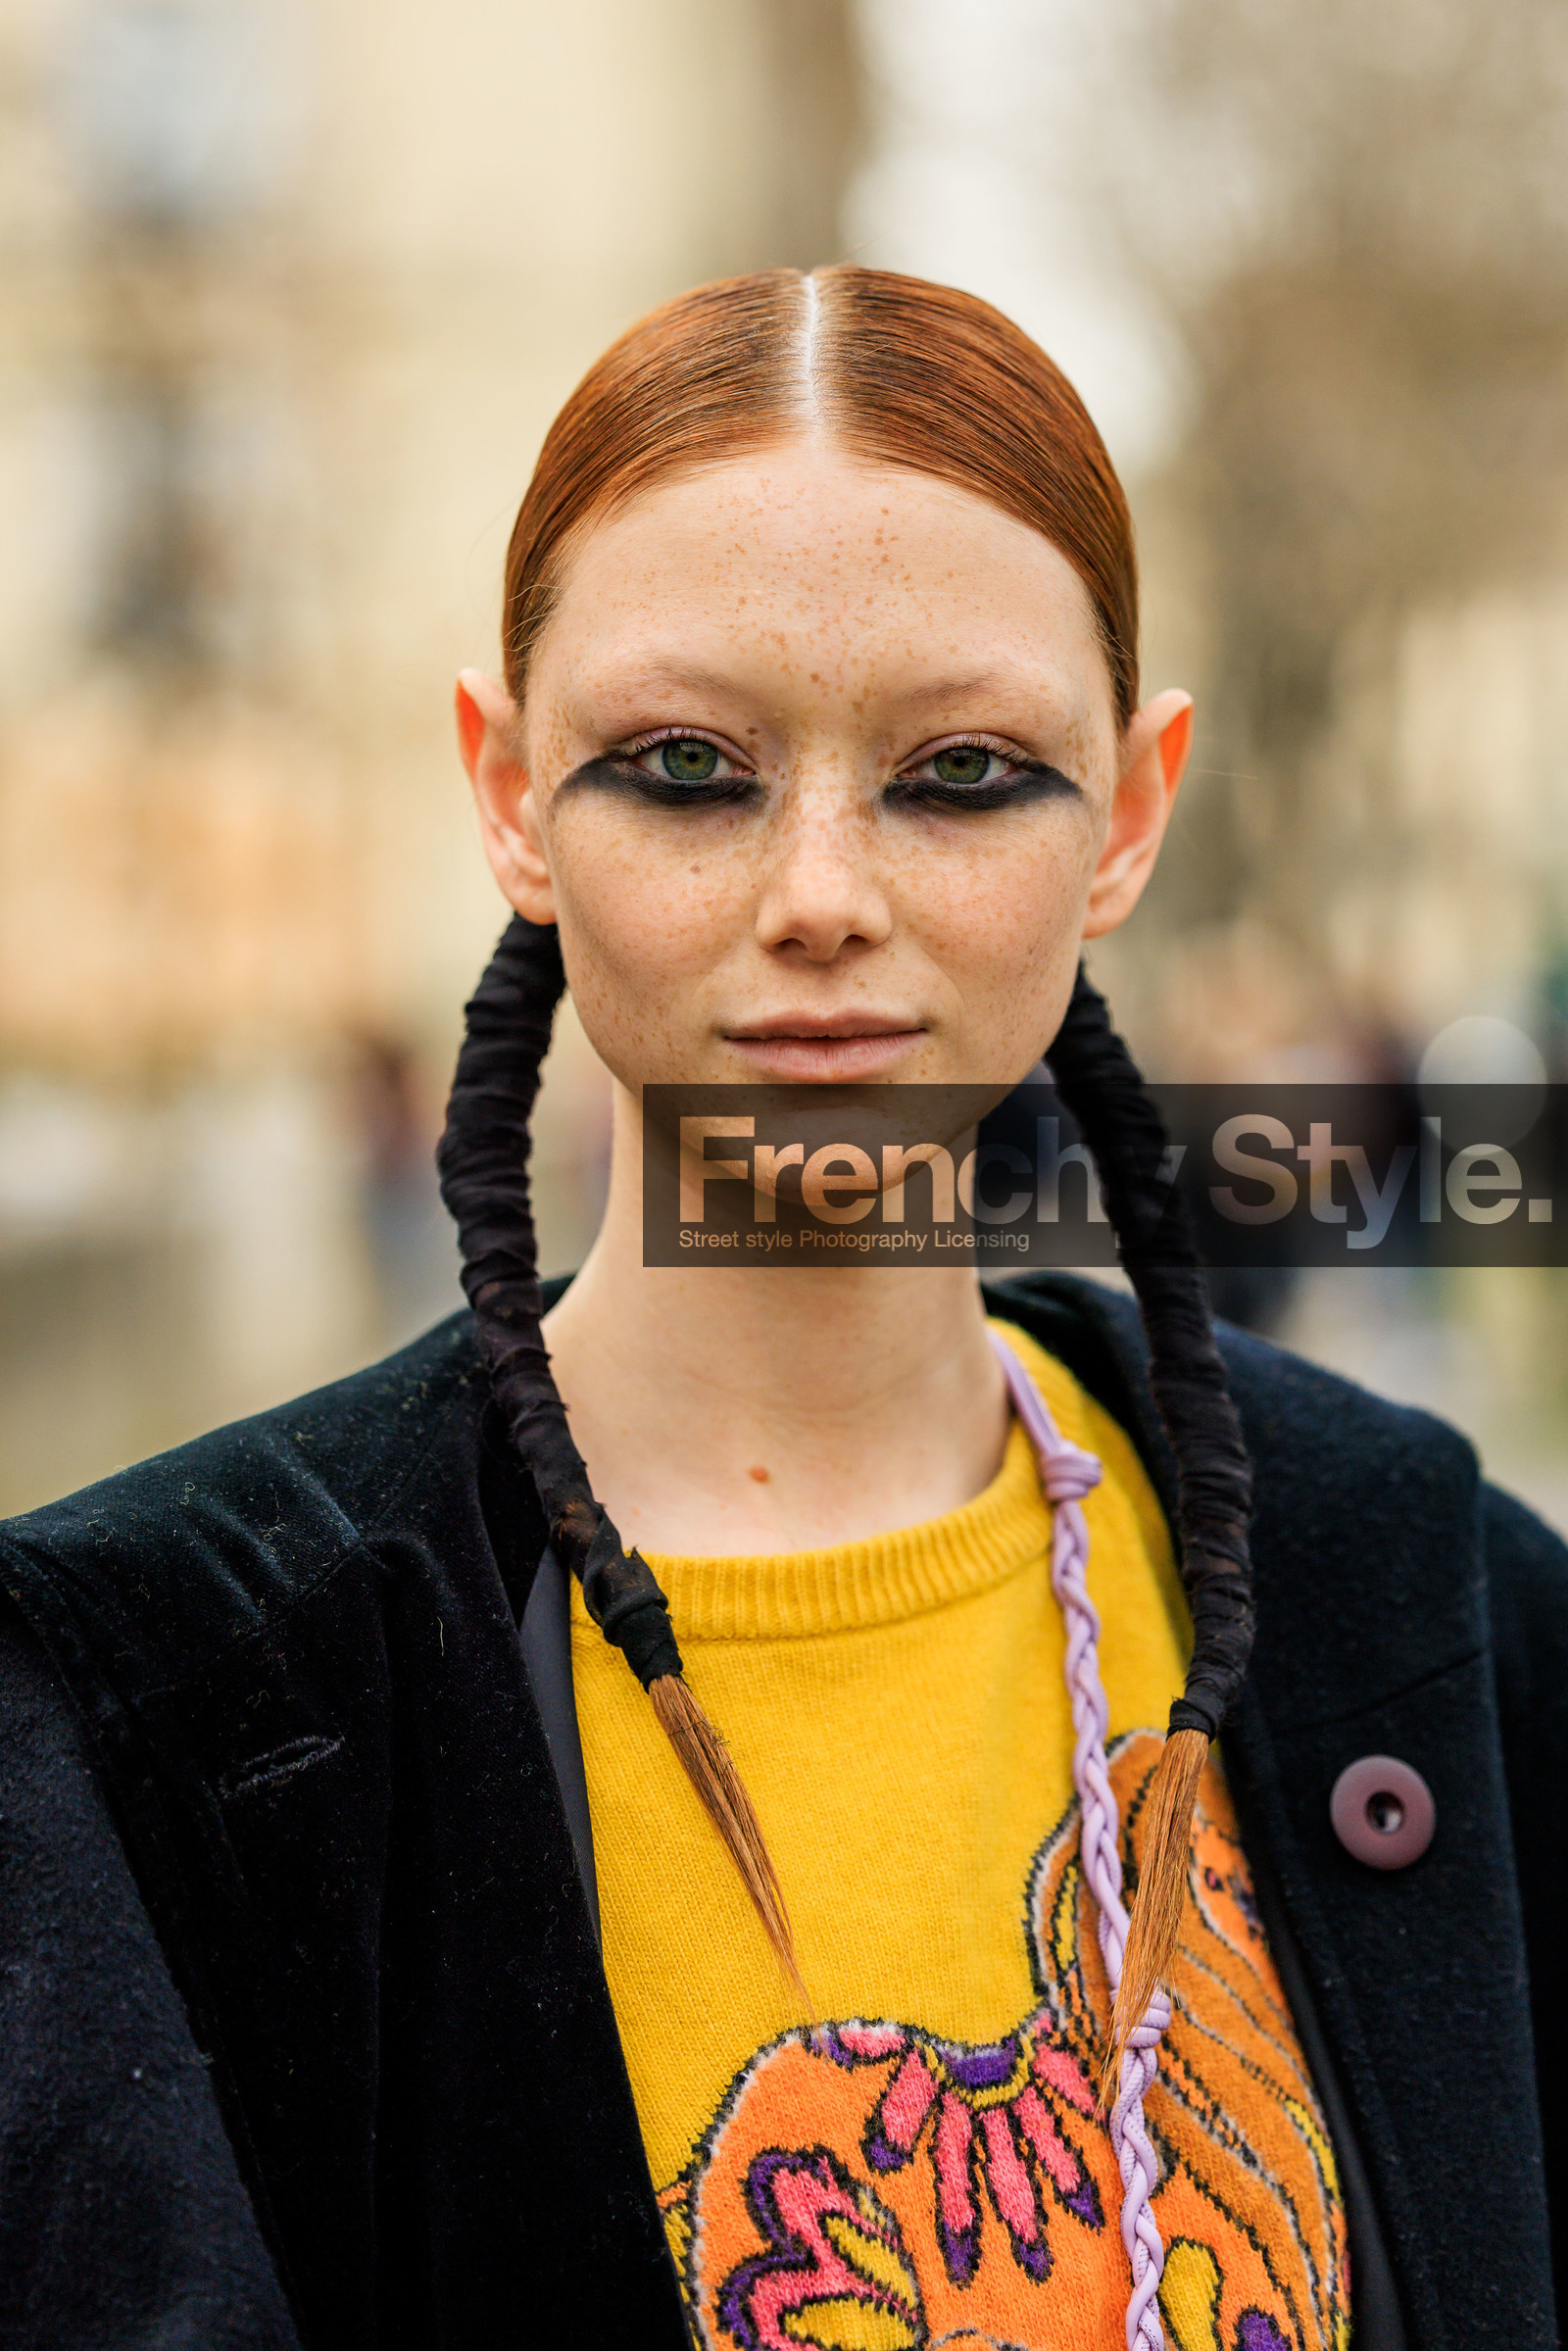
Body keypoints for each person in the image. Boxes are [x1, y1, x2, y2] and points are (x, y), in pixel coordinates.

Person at [0, 268, 1561, 2351]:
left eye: (962, 772)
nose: (820, 889)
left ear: (1127, 810)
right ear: (502, 793)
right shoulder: (139, 1714)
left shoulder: (1431, 1598)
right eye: (683, 765)